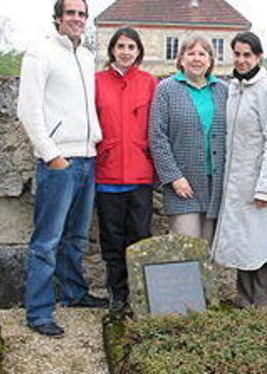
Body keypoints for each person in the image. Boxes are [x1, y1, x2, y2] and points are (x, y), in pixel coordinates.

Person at [17, 0, 107, 337]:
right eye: (71, 13)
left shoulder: (85, 56)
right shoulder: (40, 53)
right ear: (57, 18)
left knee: (77, 237)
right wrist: (52, 154)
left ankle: (74, 294)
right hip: (59, 161)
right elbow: (28, 109)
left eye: (82, 14)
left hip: (87, 157)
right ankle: (39, 312)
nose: (77, 19)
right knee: (47, 240)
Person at [211, 31, 267, 308]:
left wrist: (265, 186)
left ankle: (263, 304)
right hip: (237, 181)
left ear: (258, 57)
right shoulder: (233, 88)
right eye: (237, 54)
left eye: (247, 55)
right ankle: (244, 302)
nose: (241, 60)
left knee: (262, 242)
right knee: (243, 243)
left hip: (258, 181)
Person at [95, 27, 157, 313]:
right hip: (107, 173)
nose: (126, 52)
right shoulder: (97, 81)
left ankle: (141, 293)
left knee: (140, 236)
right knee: (112, 239)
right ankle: (117, 295)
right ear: (112, 50)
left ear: (139, 51)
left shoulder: (149, 83)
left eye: (131, 47)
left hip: (140, 173)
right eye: (121, 46)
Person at [149, 35, 227, 243]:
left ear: (210, 60)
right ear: (181, 59)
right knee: (186, 247)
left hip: (216, 184)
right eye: (190, 53)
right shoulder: (166, 89)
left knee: (211, 250)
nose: (196, 58)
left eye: (202, 54)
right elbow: (157, 137)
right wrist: (174, 177)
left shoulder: (223, 90)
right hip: (183, 185)